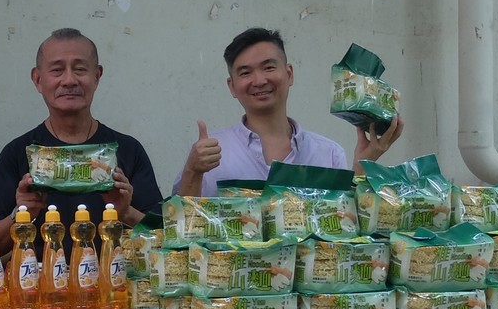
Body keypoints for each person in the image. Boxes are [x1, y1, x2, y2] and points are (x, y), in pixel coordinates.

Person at [0, 28, 161, 253]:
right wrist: (22, 213)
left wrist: (125, 213)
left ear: (97, 76)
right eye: (57, 70)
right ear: (38, 79)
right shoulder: (18, 152)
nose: (69, 80)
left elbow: (163, 240)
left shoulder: (128, 150)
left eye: (80, 69)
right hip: (38, 274)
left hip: (113, 274)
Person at [173, 27, 405, 197]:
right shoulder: (210, 153)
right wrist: (193, 171)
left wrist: (363, 166)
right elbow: (178, 226)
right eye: (245, 73)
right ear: (232, 86)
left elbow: (341, 225)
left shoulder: (327, 154)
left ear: (289, 74)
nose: (259, 80)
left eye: (268, 67)